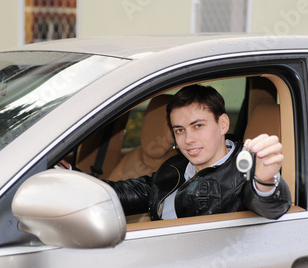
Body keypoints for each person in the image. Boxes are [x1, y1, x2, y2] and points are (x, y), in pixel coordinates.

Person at [105, 84, 291, 220]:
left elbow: (272, 207)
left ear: (223, 124)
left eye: (198, 126)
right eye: (180, 130)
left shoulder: (244, 170)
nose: (188, 140)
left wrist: (265, 181)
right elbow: (130, 193)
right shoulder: (175, 166)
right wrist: (77, 180)